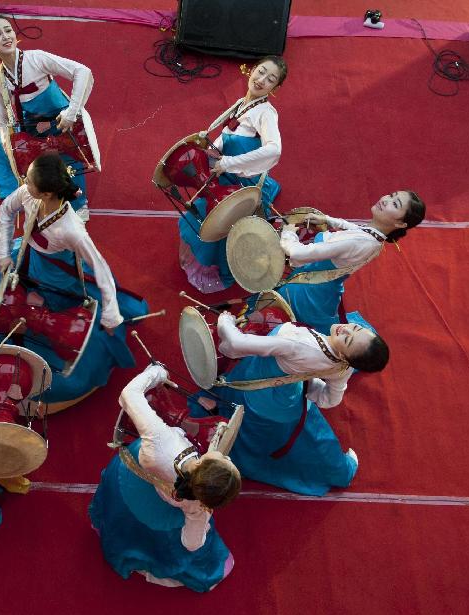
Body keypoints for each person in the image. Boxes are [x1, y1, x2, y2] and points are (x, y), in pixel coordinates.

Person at [0, 153, 148, 406]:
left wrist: (109, 314)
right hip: (27, 259)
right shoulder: (27, 194)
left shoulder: (72, 230)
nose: (25, 182)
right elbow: (6, 210)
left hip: (59, 280)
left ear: (45, 194)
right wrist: (2, 254)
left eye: (30, 180)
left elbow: (101, 268)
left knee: (66, 323)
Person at [198, 313, 389, 495]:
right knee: (313, 435)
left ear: (347, 356)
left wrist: (225, 321)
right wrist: (306, 383)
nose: (346, 330)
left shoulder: (300, 345)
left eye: (348, 340)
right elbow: (330, 399)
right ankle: (337, 468)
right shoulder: (343, 366)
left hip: (256, 392)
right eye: (355, 327)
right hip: (283, 397)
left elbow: (235, 344)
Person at [89, 364, 241, 592]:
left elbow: (129, 394)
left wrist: (156, 373)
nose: (228, 458)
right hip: (156, 497)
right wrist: (204, 522)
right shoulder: (197, 506)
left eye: (225, 462)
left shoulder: (161, 439)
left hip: (129, 475)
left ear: (205, 462)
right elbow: (191, 544)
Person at [178, 56, 286, 296]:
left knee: (217, 226)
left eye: (270, 80)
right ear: (251, 70)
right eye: (261, 72)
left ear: (275, 89)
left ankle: (226, 274)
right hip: (228, 174)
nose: (261, 80)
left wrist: (227, 162)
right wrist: (213, 149)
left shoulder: (266, 114)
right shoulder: (243, 103)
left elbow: (274, 149)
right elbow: (228, 134)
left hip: (241, 183)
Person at [0, 14, 95, 218]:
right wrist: (8, 144)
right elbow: (1, 117)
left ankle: (79, 204)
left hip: (60, 120)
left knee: (69, 158)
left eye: (8, 30)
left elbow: (83, 72)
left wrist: (71, 113)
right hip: (32, 126)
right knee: (33, 160)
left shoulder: (36, 58)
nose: (5, 36)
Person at [277, 191, 426, 331]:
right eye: (391, 195)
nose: (386, 200)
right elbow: (356, 228)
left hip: (309, 289)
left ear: (401, 224)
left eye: (395, 204)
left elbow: (298, 252)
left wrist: (289, 233)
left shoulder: (359, 242)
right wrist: (327, 220)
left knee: (282, 304)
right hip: (324, 282)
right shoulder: (376, 237)